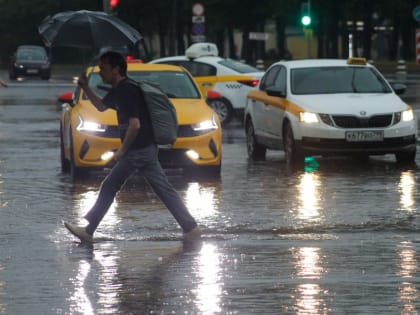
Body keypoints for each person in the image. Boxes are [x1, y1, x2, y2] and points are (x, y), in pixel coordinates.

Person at [64, 51, 201, 243]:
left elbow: (134, 124)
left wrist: (122, 150)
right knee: (163, 188)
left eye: (104, 68)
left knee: (110, 186)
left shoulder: (127, 90)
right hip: (145, 148)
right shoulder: (121, 89)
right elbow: (102, 107)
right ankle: (190, 228)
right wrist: (85, 87)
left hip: (138, 150)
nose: (101, 72)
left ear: (116, 69)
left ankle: (88, 230)